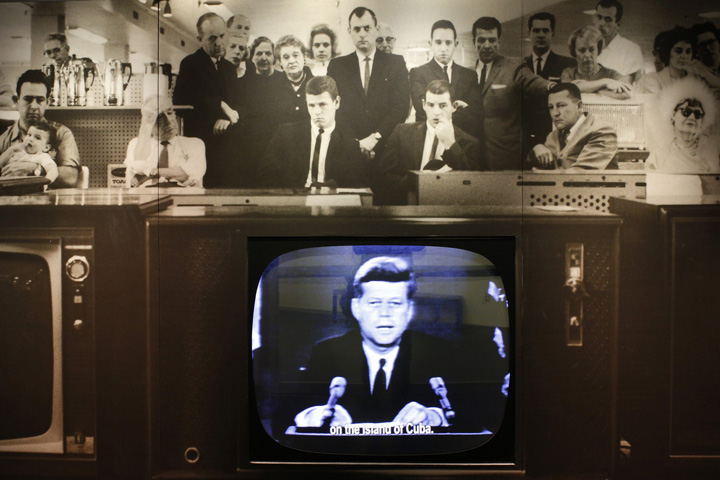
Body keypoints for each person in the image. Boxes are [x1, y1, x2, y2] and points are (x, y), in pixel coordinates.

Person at [287, 256, 504, 431]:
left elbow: (481, 410)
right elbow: (285, 411)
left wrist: (435, 416)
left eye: (395, 303)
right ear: (356, 308)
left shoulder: (440, 353)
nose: (385, 314)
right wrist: (312, 414)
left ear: (409, 310)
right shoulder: (326, 352)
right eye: (374, 303)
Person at [375, 80, 483, 205]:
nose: (436, 112)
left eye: (443, 106)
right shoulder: (402, 133)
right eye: (431, 105)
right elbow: (384, 179)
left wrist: (451, 144)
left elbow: (471, 187)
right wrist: (419, 181)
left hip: (450, 209)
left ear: (454, 107)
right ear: (423, 105)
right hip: (410, 208)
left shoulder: (470, 143)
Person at [470, 16, 552, 170]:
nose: (487, 45)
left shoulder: (513, 66)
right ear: (473, 41)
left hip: (505, 156)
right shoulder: (466, 73)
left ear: (499, 42)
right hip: (472, 158)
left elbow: (536, 84)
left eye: (492, 40)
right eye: (481, 40)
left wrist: (554, 88)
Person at [327, 6, 409, 158]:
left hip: (387, 148)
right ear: (349, 31)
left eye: (367, 28)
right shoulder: (337, 67)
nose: (362, 34)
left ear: (376, 29)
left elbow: (401, 107)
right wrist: (356, 143)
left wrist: (375, 137)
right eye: (357, 29)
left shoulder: (395, 63)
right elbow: (334, 109)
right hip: (348, 150)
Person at [259, 76, 366, 188]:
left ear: (337, 102)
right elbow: (265, 178)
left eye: (322, 104)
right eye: (311, 105)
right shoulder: (285, 134)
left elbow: (356, 187)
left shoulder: (349, 144)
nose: (317, 112)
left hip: (330, 202)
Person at [173, 12, 241, 188]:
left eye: (222, 36)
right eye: (212, 38)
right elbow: (181, 102)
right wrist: (221, 106)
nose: (218, 43)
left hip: (227, 148)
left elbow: (236, 102)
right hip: (201, 147)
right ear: (200, 38)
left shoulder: (229, 68)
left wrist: (226, 115)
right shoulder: (190, 64)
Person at [0, 69, 80, 188]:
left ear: (47, 102)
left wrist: (35, 169)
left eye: (40, 100)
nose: (34, 106)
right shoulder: (4, 138)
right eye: (28, 99)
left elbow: (71, 177)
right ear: (16, 101)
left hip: (49, 204)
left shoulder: (61, 134)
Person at [527, 83, 618, 171]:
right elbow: (532, 167)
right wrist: (537, 147)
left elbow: (582, 173)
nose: (555, 113)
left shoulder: (602, 132)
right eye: (551, 107)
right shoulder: (553, 136)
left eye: (561, 105)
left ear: (579, 106)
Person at [522, 12, 577, 153]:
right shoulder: (520, 66)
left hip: (556, 135)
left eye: (545, 30)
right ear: (529, 33)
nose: (541, 35)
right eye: (536, 30)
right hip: (526, 138)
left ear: (553, 33)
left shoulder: (567, 65)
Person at [408, 20, 478, 130]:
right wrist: (461, 110)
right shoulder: (418, 73)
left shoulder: (469, 76)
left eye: (448, 43)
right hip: (430, 139)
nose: (443, 48)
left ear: (456, 44)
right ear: (430, 44)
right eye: (438, 42)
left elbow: (475, 114)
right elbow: (423, 112)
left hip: (462, 140)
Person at [124, 95, 206, 188]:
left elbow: (187, 174)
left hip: (182, 200)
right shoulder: (135, 144)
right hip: (147, 200)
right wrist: (146, 126)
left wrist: (148, 175)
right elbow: (137, 166)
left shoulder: (194, 144)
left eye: (170, 113)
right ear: (149, 121)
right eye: (159, 117)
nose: (168, 121)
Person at [645, 77, 719, 173]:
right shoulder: (659, 155)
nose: (692, 117)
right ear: (673, 116)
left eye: (697, 114)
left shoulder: (714, 148)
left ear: (702, 121)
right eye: (686, 112)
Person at [634, 27, 720, 94]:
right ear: (668, 52)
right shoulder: (652, 79)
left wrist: (704, 72)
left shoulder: (698, 80)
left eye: (688, 52)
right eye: (678, 51)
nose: (684, 56)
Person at [561, 25, 631, 100]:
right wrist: (605, 82)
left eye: (592, 49)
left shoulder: (612, 74)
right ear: (574, 52)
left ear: (598, 49)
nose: (587, 55)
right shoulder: (569, 73)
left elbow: (627, 93)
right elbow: (568, 90)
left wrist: (585, 88)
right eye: (582, 50)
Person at [267, 35, 313, 128]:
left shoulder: (316, 84)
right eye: (286, 57)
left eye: (296, 55)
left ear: (304, 58)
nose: (291, 61)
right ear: (280, 62)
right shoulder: (271, 87)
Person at [592, 0, 644, 83]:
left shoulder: (631, 50)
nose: (601, 23)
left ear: (618, 24)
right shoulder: (586, 47)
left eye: (608, 19)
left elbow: (624, 88)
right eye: (599, 17)